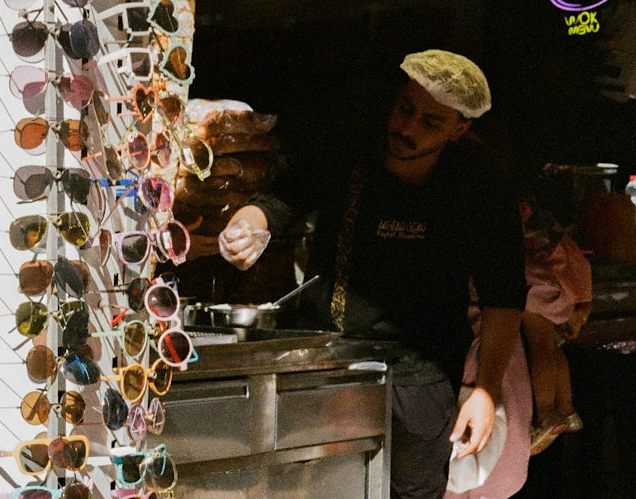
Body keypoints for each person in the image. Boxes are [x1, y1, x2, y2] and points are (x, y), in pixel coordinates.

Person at [218, 49, 529, 499]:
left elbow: (504, 296)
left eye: (430, 122)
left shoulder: (482, 188)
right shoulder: (350, 154)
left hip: (423, 376)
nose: (407, 128)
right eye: (406, 109)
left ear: (460, 128)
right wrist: (249, 225)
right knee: (318, 488)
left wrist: (486, 391)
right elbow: (284, 198)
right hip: (332, 360)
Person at [519, 198, 591, 454]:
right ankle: (566, 408)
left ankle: (545, 416)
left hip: (536, 285)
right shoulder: (547, 221)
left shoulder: (522, 216)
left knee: (539, 345)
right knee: (550, 346)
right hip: (558, 291)